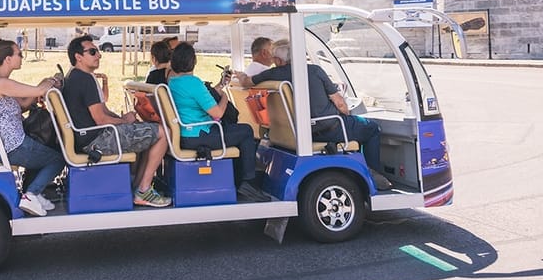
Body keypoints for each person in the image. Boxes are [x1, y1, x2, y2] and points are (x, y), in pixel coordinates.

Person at [234, 43, 392, 190]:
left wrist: (240, 76)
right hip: (329, 127)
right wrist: (347, 115)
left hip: (300, 130)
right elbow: (340, 104)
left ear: (278, 60)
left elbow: (247, 82)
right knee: (371, 127)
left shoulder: (273, 74)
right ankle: (373, 174)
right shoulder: (315, 71)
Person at [62, 35, 172, 208]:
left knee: (147, 132)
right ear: (78, 57)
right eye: (92, 52)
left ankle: (136, 187)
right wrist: (123, 120)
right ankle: (143, 190)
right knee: (164, 132)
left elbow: (103, 111)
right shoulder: (84, 80)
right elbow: (101, 119)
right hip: (97, 141)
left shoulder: (76, 77)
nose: (98, 55)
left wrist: (124, 121)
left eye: (97, 51)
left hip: (89, 137)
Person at [0, 39, 65, 217]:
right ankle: (31, 195)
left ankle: (34, 193)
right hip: (9, 145)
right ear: (8, 59)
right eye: (19, 54)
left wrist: (43, 85)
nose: (22, 57)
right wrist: (52, 81)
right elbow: (39, 91)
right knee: (58, 159)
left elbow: (24, 103)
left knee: (42, 150)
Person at [167, 42, 266, 201]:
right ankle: (248, 182)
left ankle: (238, 180)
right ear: (193, 62)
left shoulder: (173, 82)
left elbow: (201, 98)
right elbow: (218, 112)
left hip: (186, 134)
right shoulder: (193, 83)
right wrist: (225, 98)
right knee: (246, 131)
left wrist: (221, 85)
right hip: (200, 134)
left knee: (236, 131)